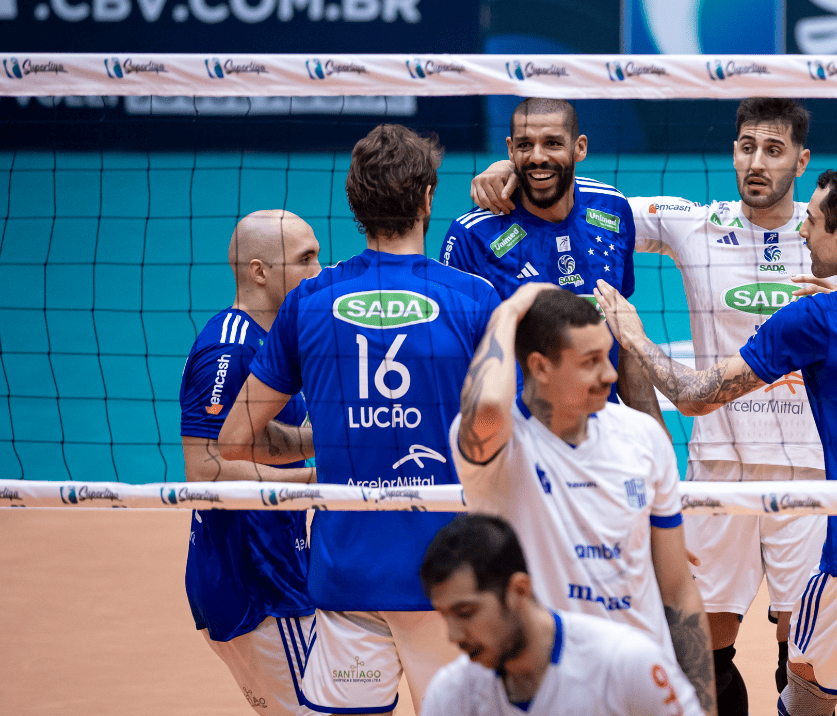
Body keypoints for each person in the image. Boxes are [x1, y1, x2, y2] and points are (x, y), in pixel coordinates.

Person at [468, 98, 837, 714]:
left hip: (813, 476)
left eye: (773, 150)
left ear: (801, 159)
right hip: (721, 470)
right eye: (747, 147)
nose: (757, 163)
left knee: (801, 646)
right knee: (705, 638)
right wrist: (511, 174)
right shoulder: (695, 221)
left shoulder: (832, 222)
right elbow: (574, 201)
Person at [596, 168, 837, 715]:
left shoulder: (814, 317)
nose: (802, 232)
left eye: (811, 222)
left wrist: (635, 338)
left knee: (805, 693)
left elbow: (693, 396)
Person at [219, 124, 500, 715]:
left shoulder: (310, 300)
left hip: (348, 579)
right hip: (451, 582)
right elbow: (511, 438)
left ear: (355, 203)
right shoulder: (475, 300)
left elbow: (236, 438)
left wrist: (329, 441)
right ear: (427, 197)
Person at [447, 283, 717, 716]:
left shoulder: (643, 437)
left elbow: (678, 589)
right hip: (551, 689)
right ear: (540, 367)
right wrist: (512, 309)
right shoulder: (502, 448)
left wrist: (703, 706)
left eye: (606, 357)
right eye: (590, 362)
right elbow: (488, 409)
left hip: (645, 684)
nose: (609, 374)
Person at [438, 97, 664, 430]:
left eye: (553, 143)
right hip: (520, 440)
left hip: (602, 434)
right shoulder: (471, 236)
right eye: (526, 145)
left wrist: (657, 438)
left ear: (580, 147)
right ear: (510, 150)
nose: (538, 156)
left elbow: (623, 337)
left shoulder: (612, 208)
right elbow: (454, 364)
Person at [178, 209, 321, 715]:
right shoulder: (229, 349)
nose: (318, 271)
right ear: (260, 271)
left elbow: (255, 440)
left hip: (275, 570)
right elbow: (205, 468)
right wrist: (317, 483)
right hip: (259, 585)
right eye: (306, 259)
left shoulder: (272, 343)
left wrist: (324, 440)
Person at [418, 513, 705, 716]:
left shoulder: (627, 664)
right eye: (445, 615)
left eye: (466, 612)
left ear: (519, 590)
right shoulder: (449, 696)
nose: (453, 635)